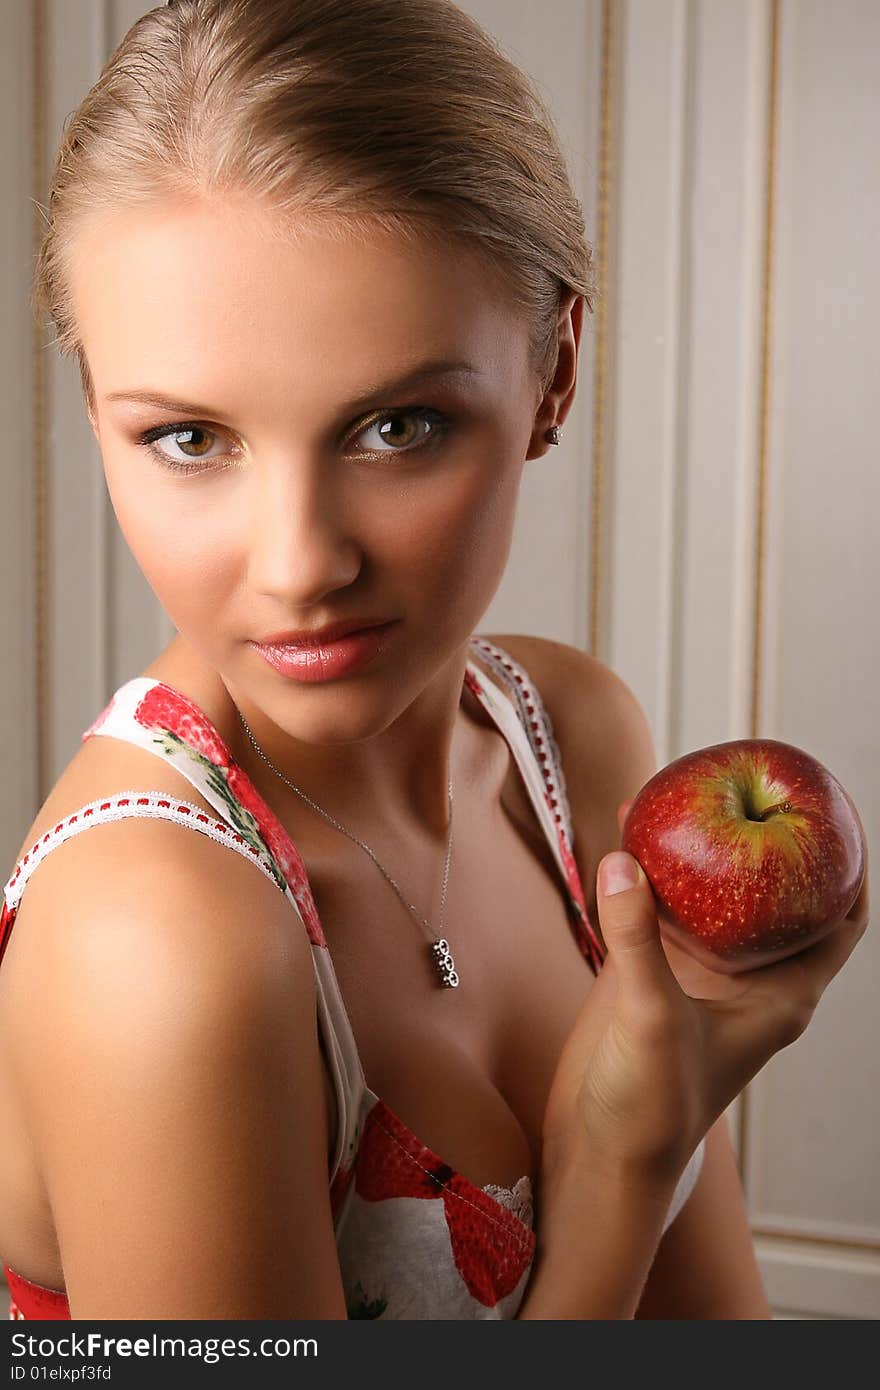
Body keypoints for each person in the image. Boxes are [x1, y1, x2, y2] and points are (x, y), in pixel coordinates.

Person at [0, 0, 868, 1322]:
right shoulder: (160, 938)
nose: (298, 563)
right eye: (189, 438)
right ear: (94, 401)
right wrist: (624, 1171)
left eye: (397, 425)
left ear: (556, 370)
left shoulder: (569, 742)